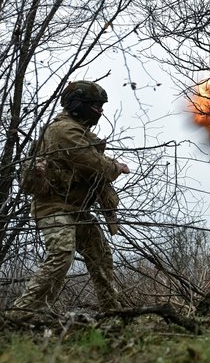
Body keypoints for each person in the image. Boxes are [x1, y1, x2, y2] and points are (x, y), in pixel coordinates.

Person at [12, 80, 130, 315]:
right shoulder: (64, 130)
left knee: (100, 256)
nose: (100, 110)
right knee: (61, 256)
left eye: (100, 106)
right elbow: (91, 162)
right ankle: (21, 314)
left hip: (75, 209)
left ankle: (112, 312)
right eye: (95, 105)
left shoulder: (78, 130)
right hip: (54, 208)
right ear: (77, 105)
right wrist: (115, 167)